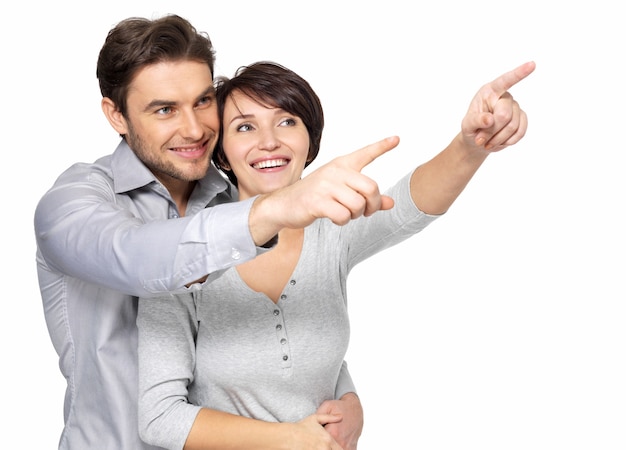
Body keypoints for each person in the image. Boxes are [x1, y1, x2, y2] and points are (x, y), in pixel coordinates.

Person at [34, 14, 413, 450]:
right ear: (116, 115)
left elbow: (264, 329)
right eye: (164, 109)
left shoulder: (235, 201)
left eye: (201, 101)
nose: (195, 130)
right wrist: (276, 208)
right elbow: (139, 257)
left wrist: (345, 396)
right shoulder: (72, 205)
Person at [136, 60, 535, 450]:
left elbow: (410, 205)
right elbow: (159, 418)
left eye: (287, 121)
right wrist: (290, 439)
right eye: (245, 127)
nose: (269, 141)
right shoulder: (186, 250)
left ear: (310, 139)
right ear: (220, 152)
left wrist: (471, 144)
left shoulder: (330, 229)